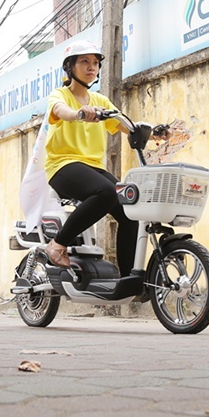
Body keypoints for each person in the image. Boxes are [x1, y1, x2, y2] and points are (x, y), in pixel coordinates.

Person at [42, 41, 136, 276]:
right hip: (62, 165)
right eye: (84, 61)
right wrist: (78, 114)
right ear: (70, 67)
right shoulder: (60, 95)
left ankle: (127, 280)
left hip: (92, 168)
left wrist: (152, 131)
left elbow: (126, 124)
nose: (91, 67)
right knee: (105, 192)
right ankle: (57, 244)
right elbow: (60, 110)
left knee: (131, 212)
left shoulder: (100, 101)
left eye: (95, 63)